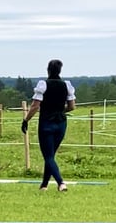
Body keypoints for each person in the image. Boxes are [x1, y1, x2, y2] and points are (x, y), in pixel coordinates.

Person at [21, 60, 76, 191]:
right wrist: (59, 110)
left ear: (48, 70)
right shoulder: (66, 85)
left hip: (46, 123)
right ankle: (44, 185)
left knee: (48, 156)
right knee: (51, 155)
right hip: (61, 123)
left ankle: (61, 183)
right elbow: (72, 106)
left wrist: (26, 120)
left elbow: (35, 106)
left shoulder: (43, 84)